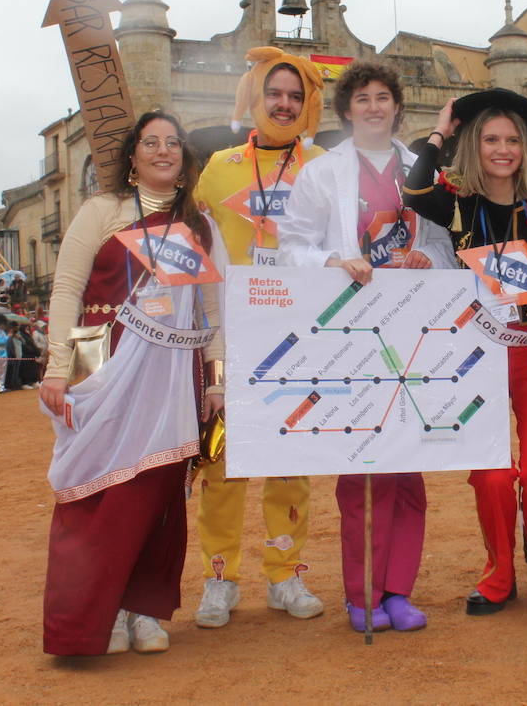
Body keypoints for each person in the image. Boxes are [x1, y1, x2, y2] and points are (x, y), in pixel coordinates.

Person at [39, 110, 227, 656]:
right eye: (152, 142)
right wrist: (58, 368)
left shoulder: (200, 223)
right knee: (99, 491)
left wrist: (215, 381)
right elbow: (68, 290)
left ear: (184, 157)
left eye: (173, 143)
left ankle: (142, 609)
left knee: (157, 493)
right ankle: (92, 617)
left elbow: (210, 312)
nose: (163, 151)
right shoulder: (101, 211)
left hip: (171, 375)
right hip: (98, 359)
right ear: (133, 155)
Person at [278, 57, 455, 632]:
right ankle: (361, 596)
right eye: (363, 99)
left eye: (383, 98)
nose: (374, 107)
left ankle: (398, 591)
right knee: (360, 471)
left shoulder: (421, 167)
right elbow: (291, 246)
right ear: (347, 109)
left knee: (408, 467)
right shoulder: (320, 173)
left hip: (410, 329)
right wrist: (332, 258)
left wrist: (432, 258)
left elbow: (446, 240)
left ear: (397, 107)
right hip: (348, 331)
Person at [404, 88, 527, 614]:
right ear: (474, 145)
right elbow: (413, 190)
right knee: (490, 473)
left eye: (511, 140)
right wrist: (441, 131)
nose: (502, 149)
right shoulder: (456, 200)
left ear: (525, 147)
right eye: (490, 139)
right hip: (475, 355)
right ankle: (498, 573)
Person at [192, 47, 328, 629]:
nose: (284, 104)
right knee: (220, 462)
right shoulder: (218, 167)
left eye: (296, 96)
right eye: (275, 93)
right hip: (231, 340)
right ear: (256, 96)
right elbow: (192, 250)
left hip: (300, 340)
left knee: (290, 463)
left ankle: (284, 573)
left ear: (308, 105)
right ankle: (218, 577)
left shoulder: (323, 165)